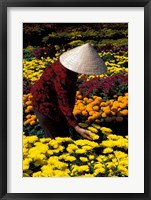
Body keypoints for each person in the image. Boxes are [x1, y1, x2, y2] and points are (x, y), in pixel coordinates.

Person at [31, 43, 107, 139]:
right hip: (45, 107)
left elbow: (68, 94)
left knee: (65, 136)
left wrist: (70, 121)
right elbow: (63, 100)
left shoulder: (70, 69)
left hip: (57, 107)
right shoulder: (62, 74)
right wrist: (76, 126)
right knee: (55, 141)